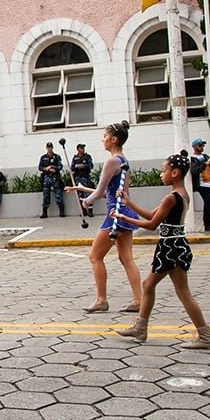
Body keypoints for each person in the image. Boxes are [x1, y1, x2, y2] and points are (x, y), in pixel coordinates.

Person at [111, 151, 210, 350]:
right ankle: (141, 327)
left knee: (182, 292)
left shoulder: (171, 197)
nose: (161, 174)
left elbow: (152, 224)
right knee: (149, 284)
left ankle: (206, 336)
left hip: (171, 248)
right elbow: (153, 214)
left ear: (175, 172)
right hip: (173, 245)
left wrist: (124, 218)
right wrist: (129, 204)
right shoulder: (179, 194)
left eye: (164, 171)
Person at [65, 121, 144, 314]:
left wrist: (86, 202)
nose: (103, 139)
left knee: (95, 256)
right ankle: (139, 300)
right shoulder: (123, 160)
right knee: (126, 258)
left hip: (114, 215)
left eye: (105, 136)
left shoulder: (111, 161)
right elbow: (113, 191)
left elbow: (100, 193)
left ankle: (101, 299)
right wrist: (84, 189)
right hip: (124, 211)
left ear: (114, 139)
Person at [189, 138, 210, 233]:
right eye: (200, 145)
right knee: (209, 204)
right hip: (201, 184)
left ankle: (207, 225)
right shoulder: (193, 159)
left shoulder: (205, 156)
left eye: (203, 145)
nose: (202, 147)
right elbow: (194, 171)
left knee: (207, 205)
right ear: (195, 147)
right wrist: (205, 164)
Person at [38, 141, 65, 218]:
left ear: (52, 148)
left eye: (50, 147)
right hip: (46, 178)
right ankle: (44, 212)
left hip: (55, 177)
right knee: (46, 195)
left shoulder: (56, 157)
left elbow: (60, 166)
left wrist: (53, 168)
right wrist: (47, 168)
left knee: (58, 194)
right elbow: (40, 167)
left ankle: (61, 211)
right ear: (46, 148)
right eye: (48, 147)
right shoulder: (43, 157)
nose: (49, 148)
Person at [70, 143, 95, 216]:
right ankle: (84, 211)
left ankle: (90, 211)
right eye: (81, 148)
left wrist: (83, 166)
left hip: (86, 177)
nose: (83, 149)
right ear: (78, 149)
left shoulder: (87, 157)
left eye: (83, 148)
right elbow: (72, 167)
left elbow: (91, 166)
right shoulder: (75, 158)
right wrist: (76, 166)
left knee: (88, 194)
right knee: (80, 195)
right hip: (78, 178)